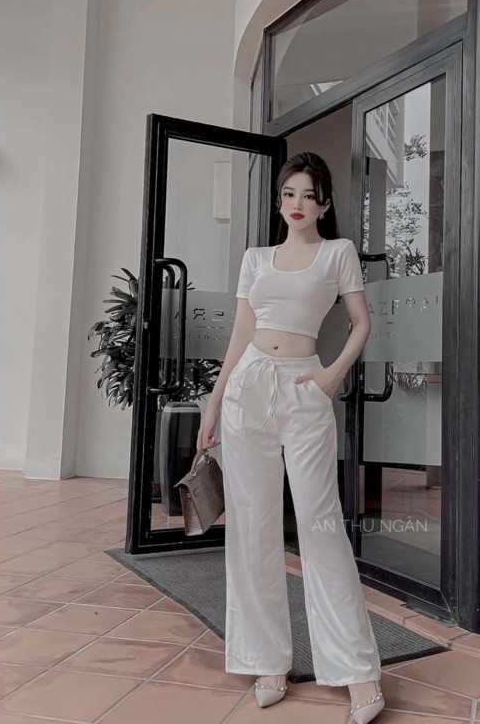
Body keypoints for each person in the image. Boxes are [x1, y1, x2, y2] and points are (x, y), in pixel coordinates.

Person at [197, 152, 385, 724]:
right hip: (248, 389)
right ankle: (267, 661)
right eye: (288, 194)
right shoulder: (255, 259)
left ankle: (358, 672)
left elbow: (361, 323)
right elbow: (241, 334)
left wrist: (332, 376)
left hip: (306, 388)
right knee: (251, 527)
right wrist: (213, 401)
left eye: (307, 194)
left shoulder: (338, 252)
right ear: (279, 201)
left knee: (321, 526)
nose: (297, 204)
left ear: (324, 203)